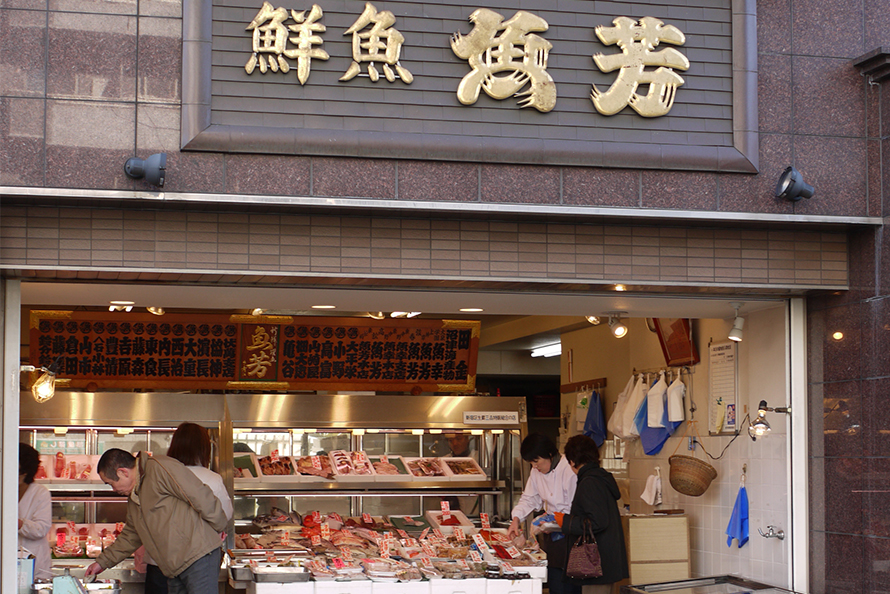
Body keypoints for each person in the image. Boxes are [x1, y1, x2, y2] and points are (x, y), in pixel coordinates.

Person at [84, 448, 228, 594]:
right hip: (174, 568)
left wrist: (219, 526)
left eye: (110, 483)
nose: (113, 489)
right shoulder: (135, 496)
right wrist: (102, 562)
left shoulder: (160, 468)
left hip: (198, 557)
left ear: (123, 472)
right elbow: (131, 535)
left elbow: (200, 495)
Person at [139, 423, 234, 594]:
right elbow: (225, 515)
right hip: (196, 561)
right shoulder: (211, 478)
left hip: (159, 560)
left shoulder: (156, 476)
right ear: (204, 449)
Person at [506, 434, 578, 594]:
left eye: (536, 461)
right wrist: (516, 519)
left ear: (550, 454)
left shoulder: (568, 469)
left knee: (569, 586)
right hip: (552, 538)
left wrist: (551, 523)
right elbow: (529, 498)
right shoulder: (536, 471)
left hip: (572, 533)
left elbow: (574, 508)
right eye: (531, 462)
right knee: (555, 582)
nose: (534, 466)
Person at [557, 434, 629, 594]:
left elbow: (598, 522)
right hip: (604, 561)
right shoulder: (599, 478)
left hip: (596, 563)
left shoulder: (590, 482)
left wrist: (566, 522)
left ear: (573, 461)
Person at [18, 444, 52, 581]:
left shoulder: (39, 492)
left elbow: (41, 529)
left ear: (24, 469)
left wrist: (18, 524)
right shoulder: (4, 489)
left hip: (36, 566)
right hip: (7, 564)